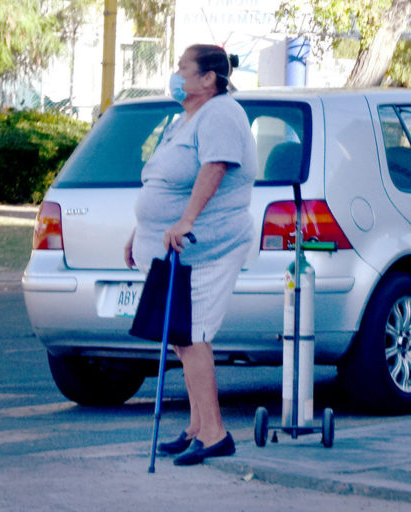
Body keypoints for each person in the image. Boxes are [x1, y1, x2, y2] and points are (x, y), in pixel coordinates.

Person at [124, 44, 258, 466]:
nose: (176, 74)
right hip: (173, 250)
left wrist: (186, 220)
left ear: (209, 78)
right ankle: (197, 427)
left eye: (183, 68)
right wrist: (141, 230)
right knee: (182, 338)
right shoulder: (187, 118)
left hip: (208, 246)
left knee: (193, 335)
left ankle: (216, 433)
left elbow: (214, 167)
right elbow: (166, 180)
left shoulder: (222, 113)